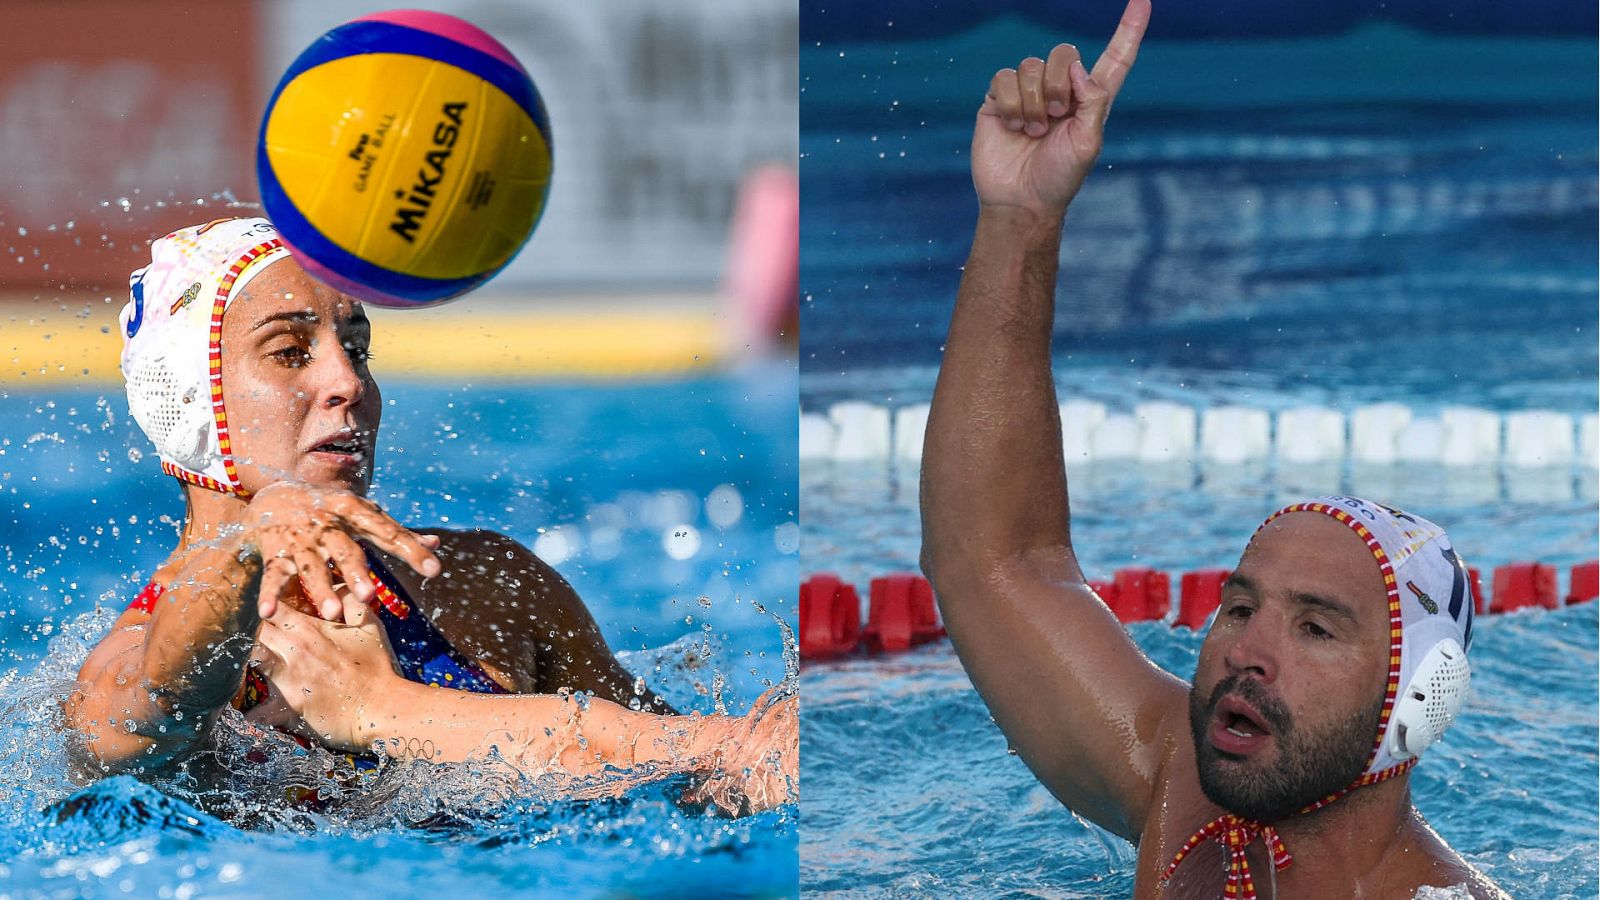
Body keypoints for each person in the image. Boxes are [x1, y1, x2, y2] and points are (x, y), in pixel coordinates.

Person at [919, 2, 1505, 896]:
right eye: (1239, 608)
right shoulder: (1184, 792)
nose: (1247, 653)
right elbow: (995, 559)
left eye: (1314, 627)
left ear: (1415, 700)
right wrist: (1020, 220)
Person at [62, 216, 795, 816]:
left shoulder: (482, 583)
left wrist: (382, 708)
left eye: (356, 347)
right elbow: (155, 701)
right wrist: (250, 537)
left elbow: (709, 774)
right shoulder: (127, 664)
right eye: (290, 352)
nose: (347, 381)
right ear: (194, 402)